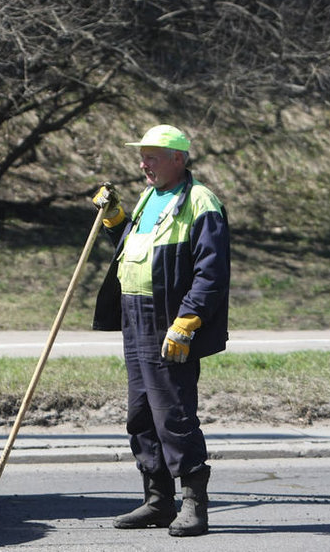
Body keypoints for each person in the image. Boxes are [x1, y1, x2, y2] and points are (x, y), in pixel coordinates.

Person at [91, 124, 230, 537]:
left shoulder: (201, 202)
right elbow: (134, 246)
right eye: (142, 155)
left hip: (169, 317)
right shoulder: (150, 196)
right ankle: (157, 500)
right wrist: (115, 217)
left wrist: (188, 321)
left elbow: (211, 272)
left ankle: (194, 503)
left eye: (152, 156)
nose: (143, 163)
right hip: (134, 316)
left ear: (178, 159)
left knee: (174, 412)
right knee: (141, 412)